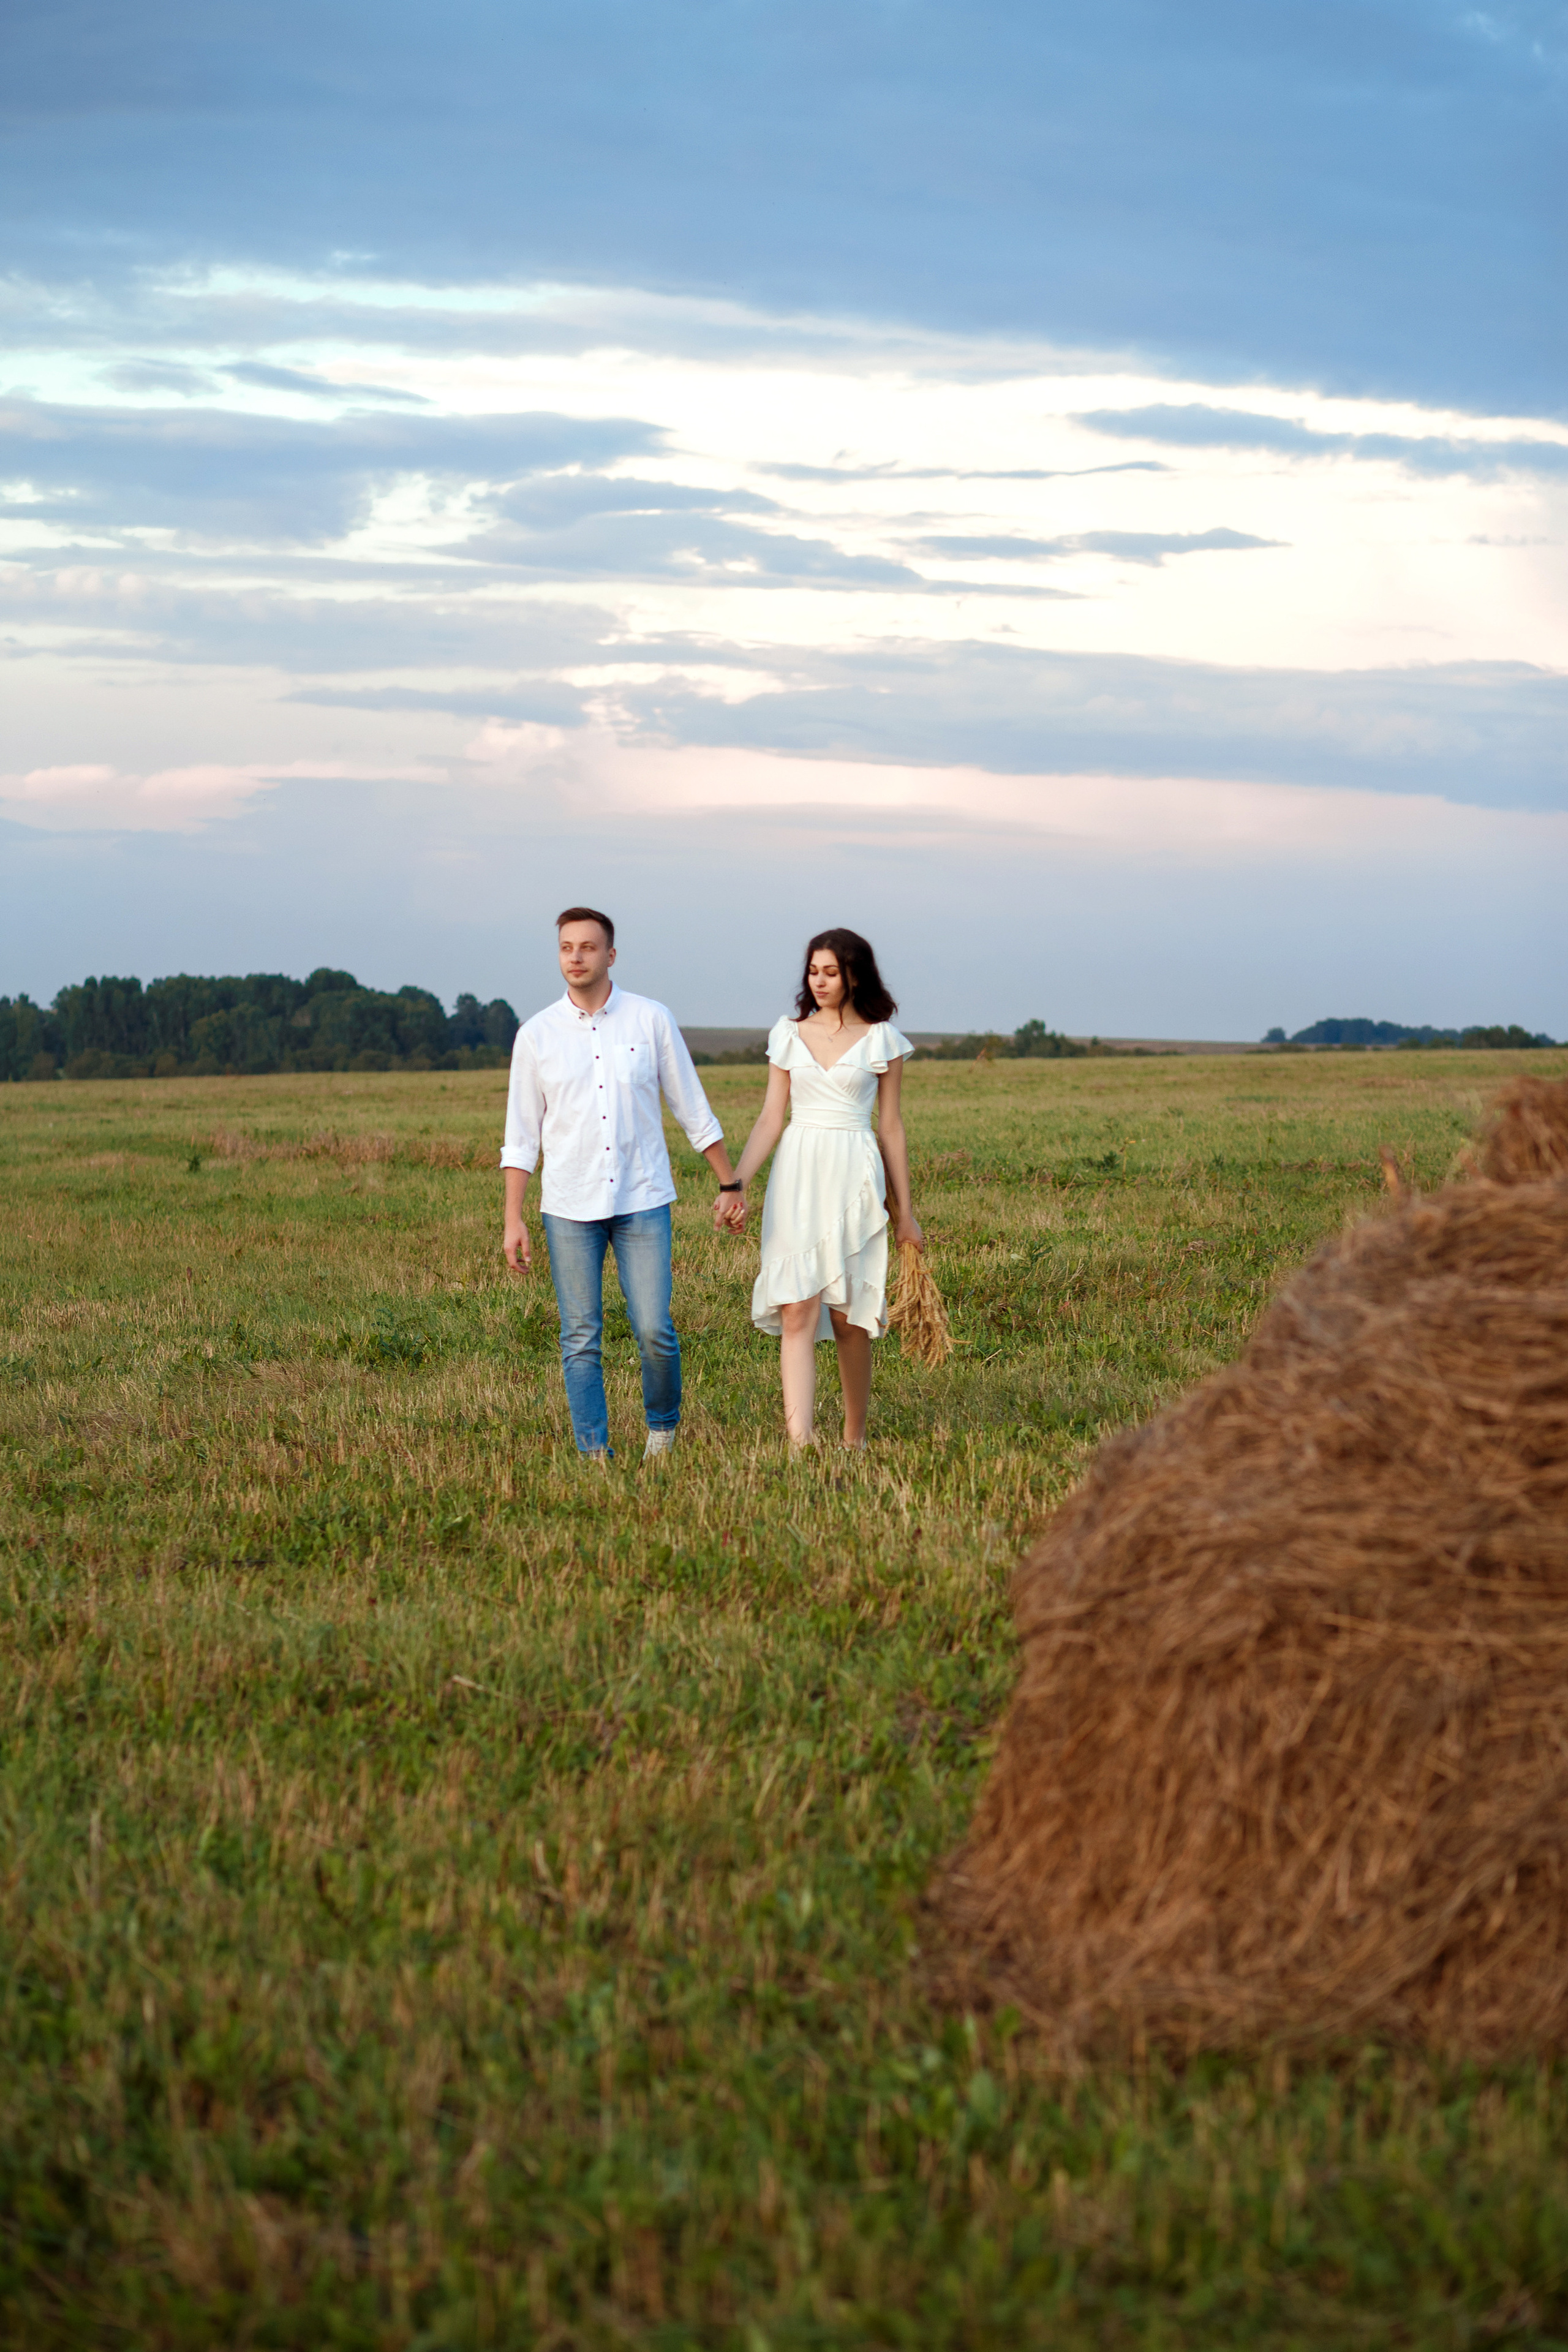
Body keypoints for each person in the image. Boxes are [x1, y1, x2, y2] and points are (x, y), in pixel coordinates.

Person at [501, 907, 742, 1461]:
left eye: (588, 947)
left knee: (655, 1328)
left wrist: (729, 1184)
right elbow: (520, 1137)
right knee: (580, 1336)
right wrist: (513, 1218)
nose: (576, 957)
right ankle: (595, 1455)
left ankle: (662, 1431)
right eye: (567, 948)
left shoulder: (650, 1020)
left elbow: (692, 1108)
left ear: (611, 955)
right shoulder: (536, 1035)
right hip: (568, 1205)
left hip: (642, 1200)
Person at [715, 928, 922, 1450]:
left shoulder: (882, 1040)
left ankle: (854, 1438)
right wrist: (735, 1183)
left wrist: (906, 1215)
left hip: (854, 1171)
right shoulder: (788, 1033)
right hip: (798, 1174)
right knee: (797, 1307)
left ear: (855, 975)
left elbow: (892, 1127)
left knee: (849, 1316)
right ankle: (800, 1442)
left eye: (831, 972)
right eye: (814, 971)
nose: (820, 981)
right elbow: (770, 1118)